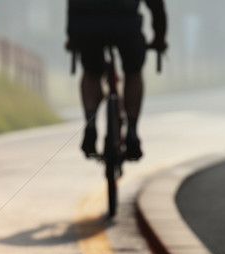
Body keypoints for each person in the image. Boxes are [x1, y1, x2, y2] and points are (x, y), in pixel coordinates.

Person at [66, 0, 167, 160]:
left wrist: (72, 36)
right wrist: (159, 38)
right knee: (133, 71)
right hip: (126, 25)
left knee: (91, 72)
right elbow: (156, 5)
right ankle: (132, 133)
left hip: (88, 25)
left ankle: (90, 126)